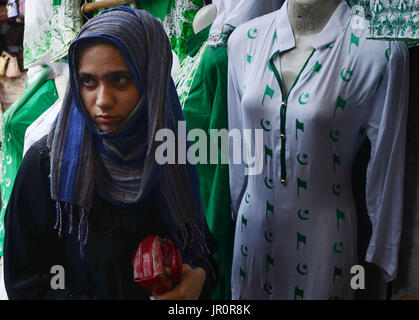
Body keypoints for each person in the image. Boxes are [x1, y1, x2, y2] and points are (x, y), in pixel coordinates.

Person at [3, 6, 217, 300]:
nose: (102, 101)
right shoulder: (48, 164)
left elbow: (201, 251)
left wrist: (198, 279)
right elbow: (24, 282)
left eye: (119, 80)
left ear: (151, 79)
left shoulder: (171, 156)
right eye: (88, 81)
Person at [227, 0, 409, 299]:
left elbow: (388, 166)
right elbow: (239, 150)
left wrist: (384, 250)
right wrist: (236, 207)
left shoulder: (381, 50)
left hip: (325, 238)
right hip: (253, 229)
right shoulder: (243, 41)